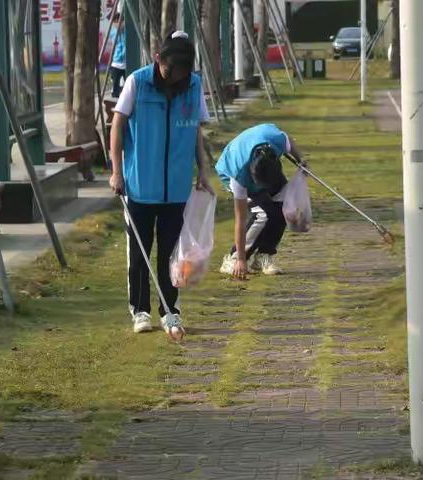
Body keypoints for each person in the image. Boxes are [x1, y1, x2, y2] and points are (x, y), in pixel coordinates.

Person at [110, 31, 213, 336]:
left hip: (176, 187)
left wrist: (202, 170)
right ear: (158, 60)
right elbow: (117, 125)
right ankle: (140, 310)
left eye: (181, 74)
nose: (174, 79)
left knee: (172, 254)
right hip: (140, 185)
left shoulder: (193, 86)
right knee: (140, 253)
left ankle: (171, 310)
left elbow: (194, 128)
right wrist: (116, 171)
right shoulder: (137, 82)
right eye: (170, 72)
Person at [215, 123, 306, 279]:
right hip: (229, 170)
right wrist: (242, 260)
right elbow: (240, 220)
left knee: (284, 207)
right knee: (263, 213)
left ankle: (264, 256)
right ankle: (234, 258)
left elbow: (287, 139)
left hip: (265, 168)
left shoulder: (276, 141)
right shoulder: (239, 175)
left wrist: (301, 160)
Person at [109, 14, 126, 98]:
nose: (118, 24)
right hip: (116, 63)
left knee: (128, 85)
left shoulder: (127, 32)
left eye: (120, 21)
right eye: (115, 22)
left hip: (127, 63)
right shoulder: (112, 32)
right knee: (115, 85)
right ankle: (114, 100)